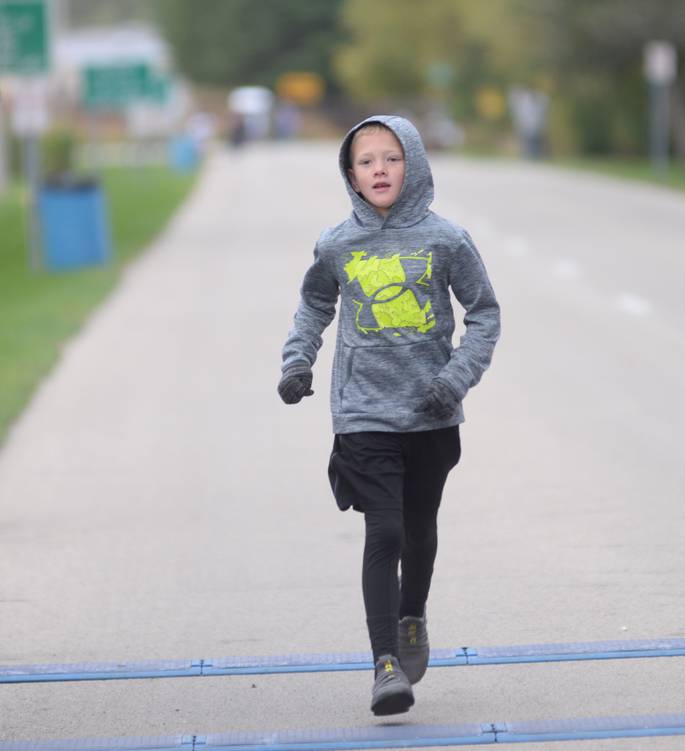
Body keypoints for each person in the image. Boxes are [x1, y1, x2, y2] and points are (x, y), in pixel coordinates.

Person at [278, 115, 500, 716]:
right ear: (350, 174)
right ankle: (384, 665)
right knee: (386, 530)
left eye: (391, 158)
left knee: (420, 530)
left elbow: (485, 314)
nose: (379, 169)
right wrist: (298, 362)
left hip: (431, 414)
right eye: (366, 161)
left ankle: (411, 616)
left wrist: (453, 380)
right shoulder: (336, 244)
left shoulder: (447, 240)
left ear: (415, 165)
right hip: (362, 413)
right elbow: (313, 304)